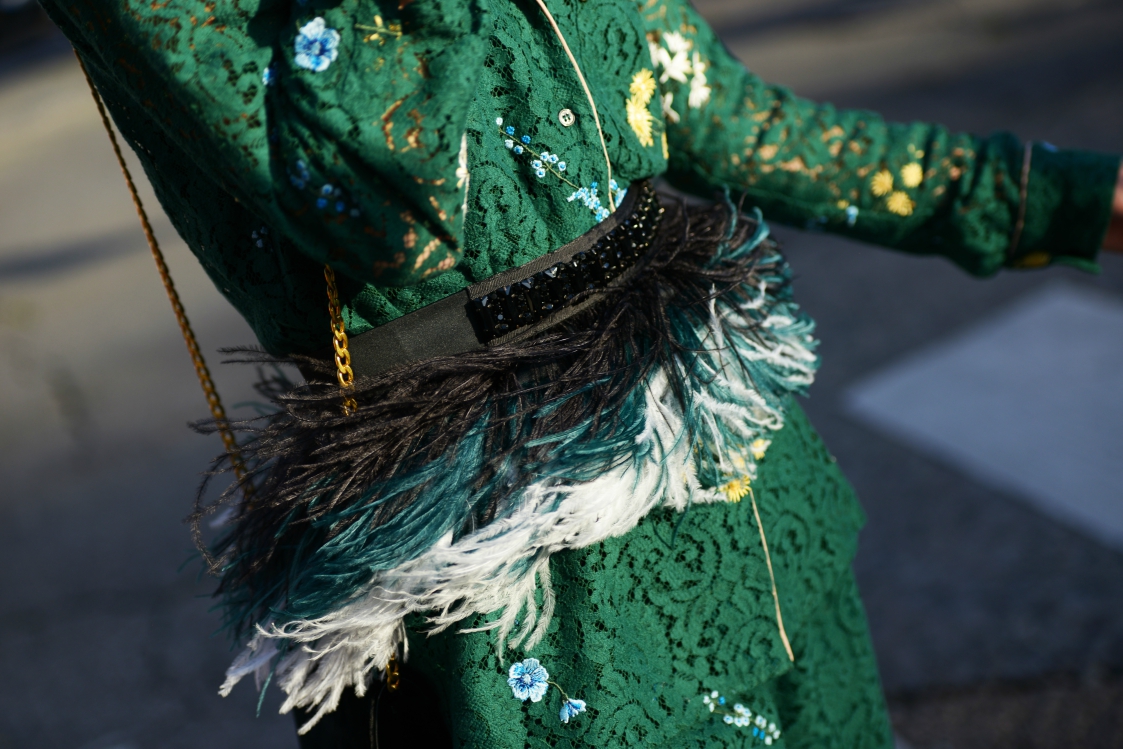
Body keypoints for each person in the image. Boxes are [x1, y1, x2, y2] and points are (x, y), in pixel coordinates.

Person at [39, 0, 1123, 745]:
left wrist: (1062, 197)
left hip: (748, 495)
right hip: (521, 584)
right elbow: (397, 201)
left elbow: (726, 117)